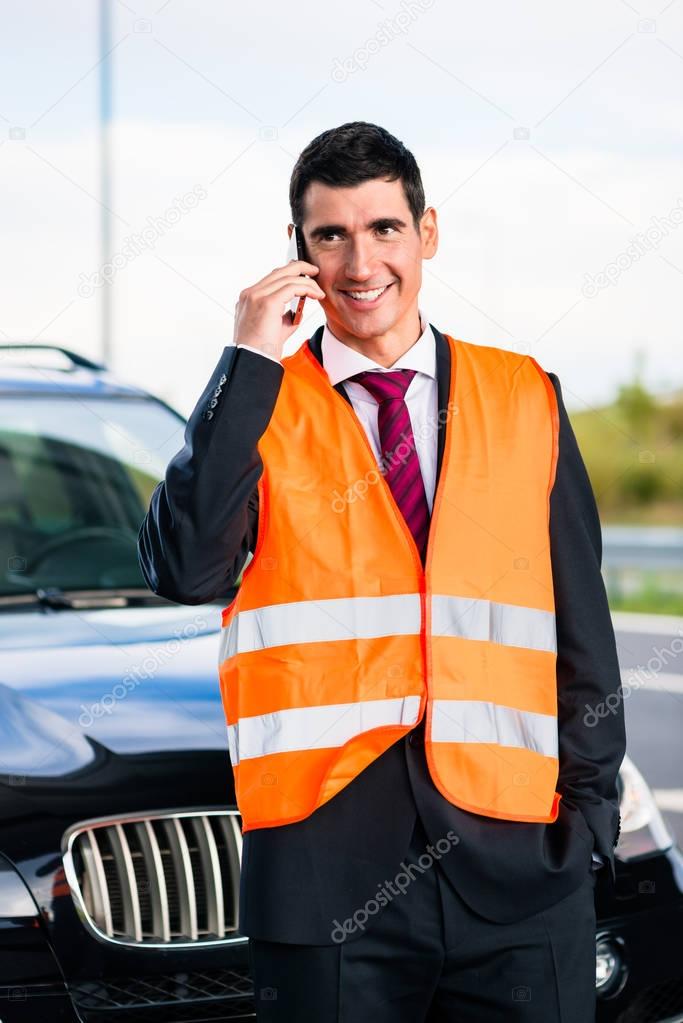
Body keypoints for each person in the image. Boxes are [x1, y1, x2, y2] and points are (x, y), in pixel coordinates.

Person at [137, 120, 626, 1022]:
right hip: (325, 878)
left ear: (426, 233)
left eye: (383, 229)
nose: (360, 264)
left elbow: (579, 623)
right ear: (297, 251)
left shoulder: (523, 395)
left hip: (519, 872)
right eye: (330, 235)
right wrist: (247, 357)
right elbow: (183, 568)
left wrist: (587, 818)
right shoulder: (259, 404)